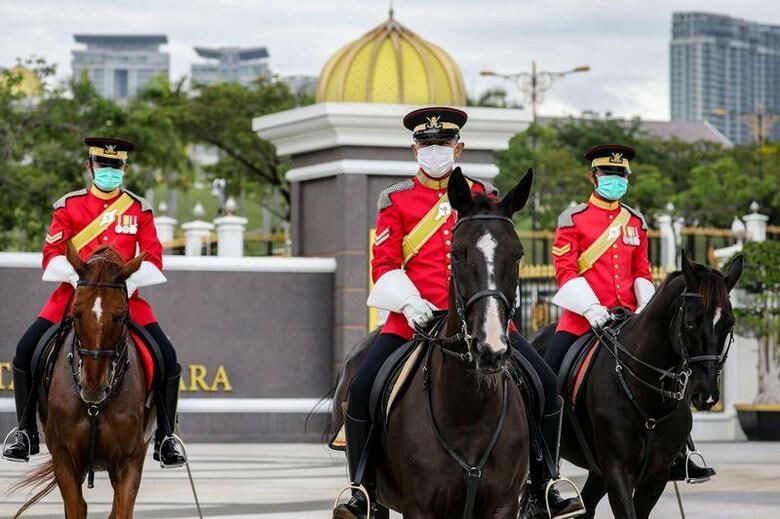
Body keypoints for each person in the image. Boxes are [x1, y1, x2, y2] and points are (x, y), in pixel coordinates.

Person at [333, 107, 584, 519]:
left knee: (545, 385)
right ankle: (363, 489)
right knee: (361, 390)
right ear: (415, 149)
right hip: (411, 322)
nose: (436, 151)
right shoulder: (395, 199)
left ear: (459, 147)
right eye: (427, 144)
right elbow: (384, 264)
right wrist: (410, 302)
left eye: (443, 144)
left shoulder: (482, 195)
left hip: (481, 319)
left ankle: (546, 483)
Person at [2, 137, 187, 468]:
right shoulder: (69, 207)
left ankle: (166, 437)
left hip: (122, 298)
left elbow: (153, 260)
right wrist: (79, 280)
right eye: (103, 166)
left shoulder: (138, 210)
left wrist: (123, 284)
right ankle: (25, 430)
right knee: (25, 350)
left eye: (116, 167)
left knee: (168, 358)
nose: (109, 173)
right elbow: (51, 255)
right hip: (72, 297)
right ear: (90, 167)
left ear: (124, 169)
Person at [547, 144, 715, 483]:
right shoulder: (573, 219)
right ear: (592, 176)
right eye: (608, 173)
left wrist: (645, 308)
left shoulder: (635, 222)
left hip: (628, 319)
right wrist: (591, 308)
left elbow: (642, 271)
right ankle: (545, 470)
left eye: (620, 174)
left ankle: (681, 452)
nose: (615, 179)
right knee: (548, 384)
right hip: (582, 322)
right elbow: (565, 272)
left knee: (673, 374)